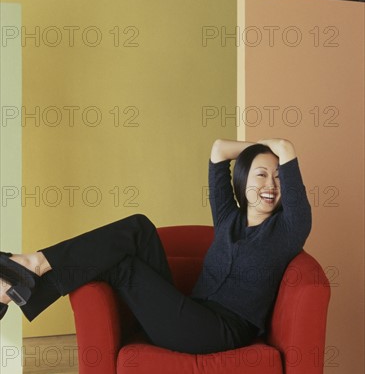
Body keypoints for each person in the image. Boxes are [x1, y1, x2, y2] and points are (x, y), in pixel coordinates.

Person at [0, 138, 311, 355]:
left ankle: (28, 272)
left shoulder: (288, 231)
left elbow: (285, 148)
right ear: (243, 181)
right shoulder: (229, 217)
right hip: (186, 312)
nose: (271, 185)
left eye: (279, 178)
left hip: (217, 332)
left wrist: (272, 153)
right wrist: (254, 150)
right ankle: (28, 273)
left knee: (123, 266)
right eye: (261, 174)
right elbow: (218, 151)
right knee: (140, 227)